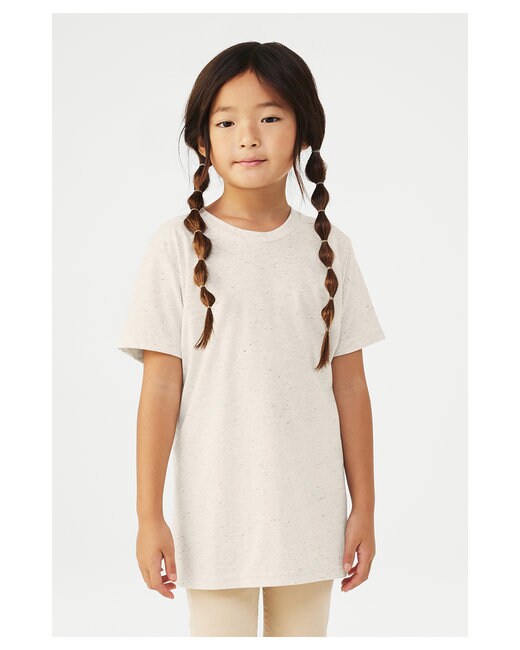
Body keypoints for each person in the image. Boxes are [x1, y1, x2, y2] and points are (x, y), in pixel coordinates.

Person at [117, 41, 386, 637]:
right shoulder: (175, 246)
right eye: (226, 122)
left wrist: (364, 507)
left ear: (303, 130)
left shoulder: (331, 249)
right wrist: (148, 515)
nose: (248, 137)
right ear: (203, 140)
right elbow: (159, 389)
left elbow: (351, 388)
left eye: (269, 117)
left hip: (310, 509)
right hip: (214, 512)